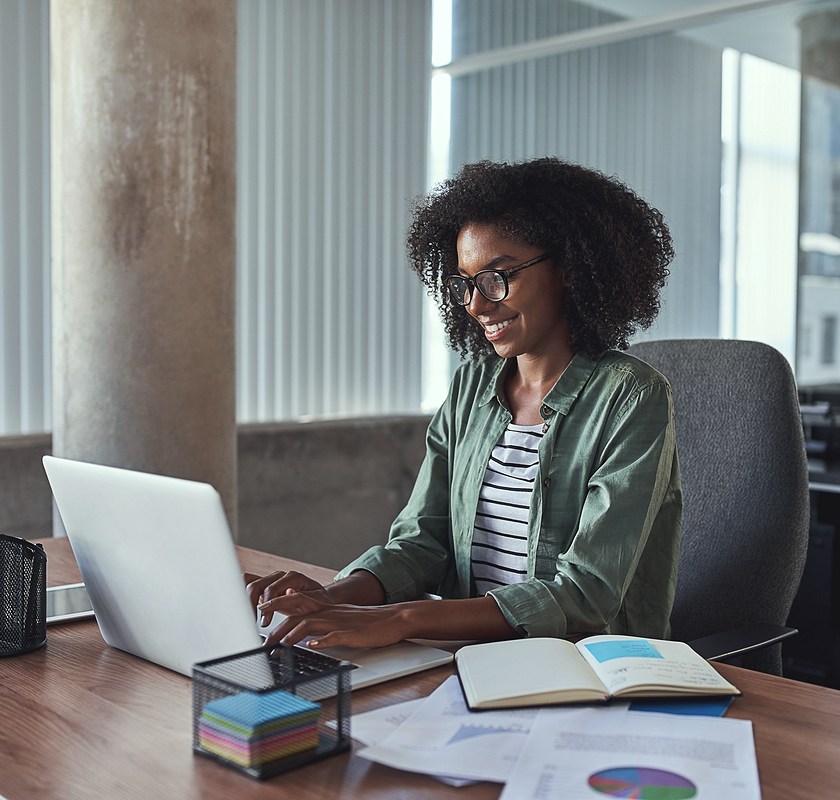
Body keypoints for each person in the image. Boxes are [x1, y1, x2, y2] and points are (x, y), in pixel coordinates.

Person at [245, 157, 682, 651]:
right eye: (465, 284)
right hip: (468, 660)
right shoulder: (471, 388)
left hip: (588, 670)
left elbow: (585, 596)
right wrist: (331, 596)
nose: (475, 304)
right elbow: (422, 542)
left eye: (497, 278)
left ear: (568, 268)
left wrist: (405, 618)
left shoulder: (632, 397)